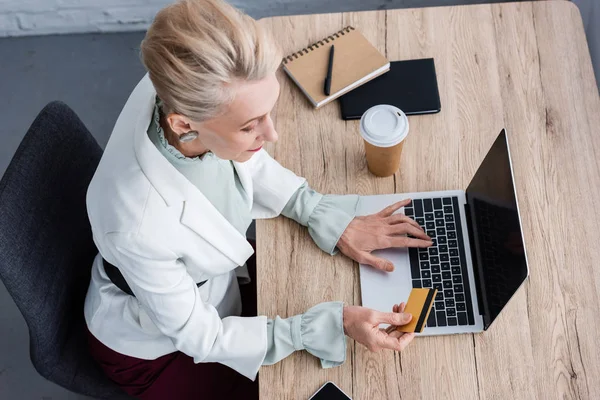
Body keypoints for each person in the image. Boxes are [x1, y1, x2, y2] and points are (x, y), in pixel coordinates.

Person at [83, 0, 433, 398]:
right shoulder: (138, 225)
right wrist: (328, 325)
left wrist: (323, 215)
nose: (272, 136)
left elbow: (242, 158)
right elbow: (202, 337)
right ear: (184, 124)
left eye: (269, 111)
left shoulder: (182, 86)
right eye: (251, 126)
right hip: (158, 349)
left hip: (211, 281)